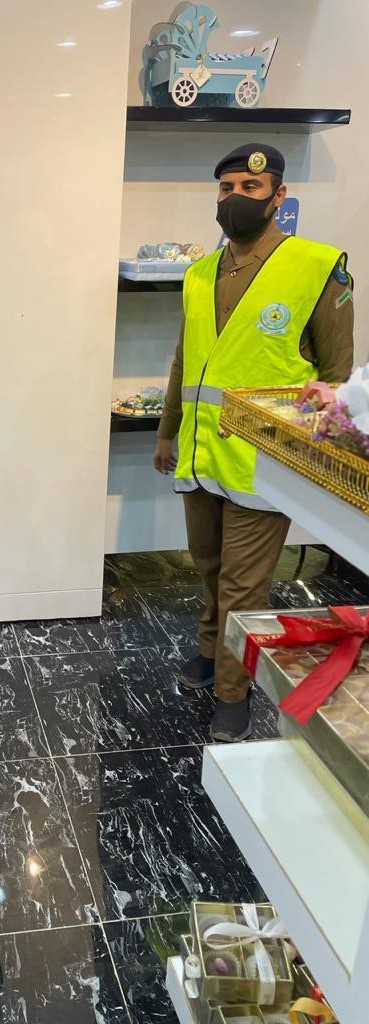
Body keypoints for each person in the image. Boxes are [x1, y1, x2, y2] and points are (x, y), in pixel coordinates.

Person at [153, 144, 354, 742]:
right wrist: (166, 431)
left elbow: (336, 377)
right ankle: (211, 650)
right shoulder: (199, 273)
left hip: (265, 461)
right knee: (209, 567)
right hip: (200, 453)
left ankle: (233, 693)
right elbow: (185, 361)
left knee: (244, 585)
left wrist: (320, 459)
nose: (236, 197)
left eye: (250, 187)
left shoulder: (317, 266)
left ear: (278, 196)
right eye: (227, 188)